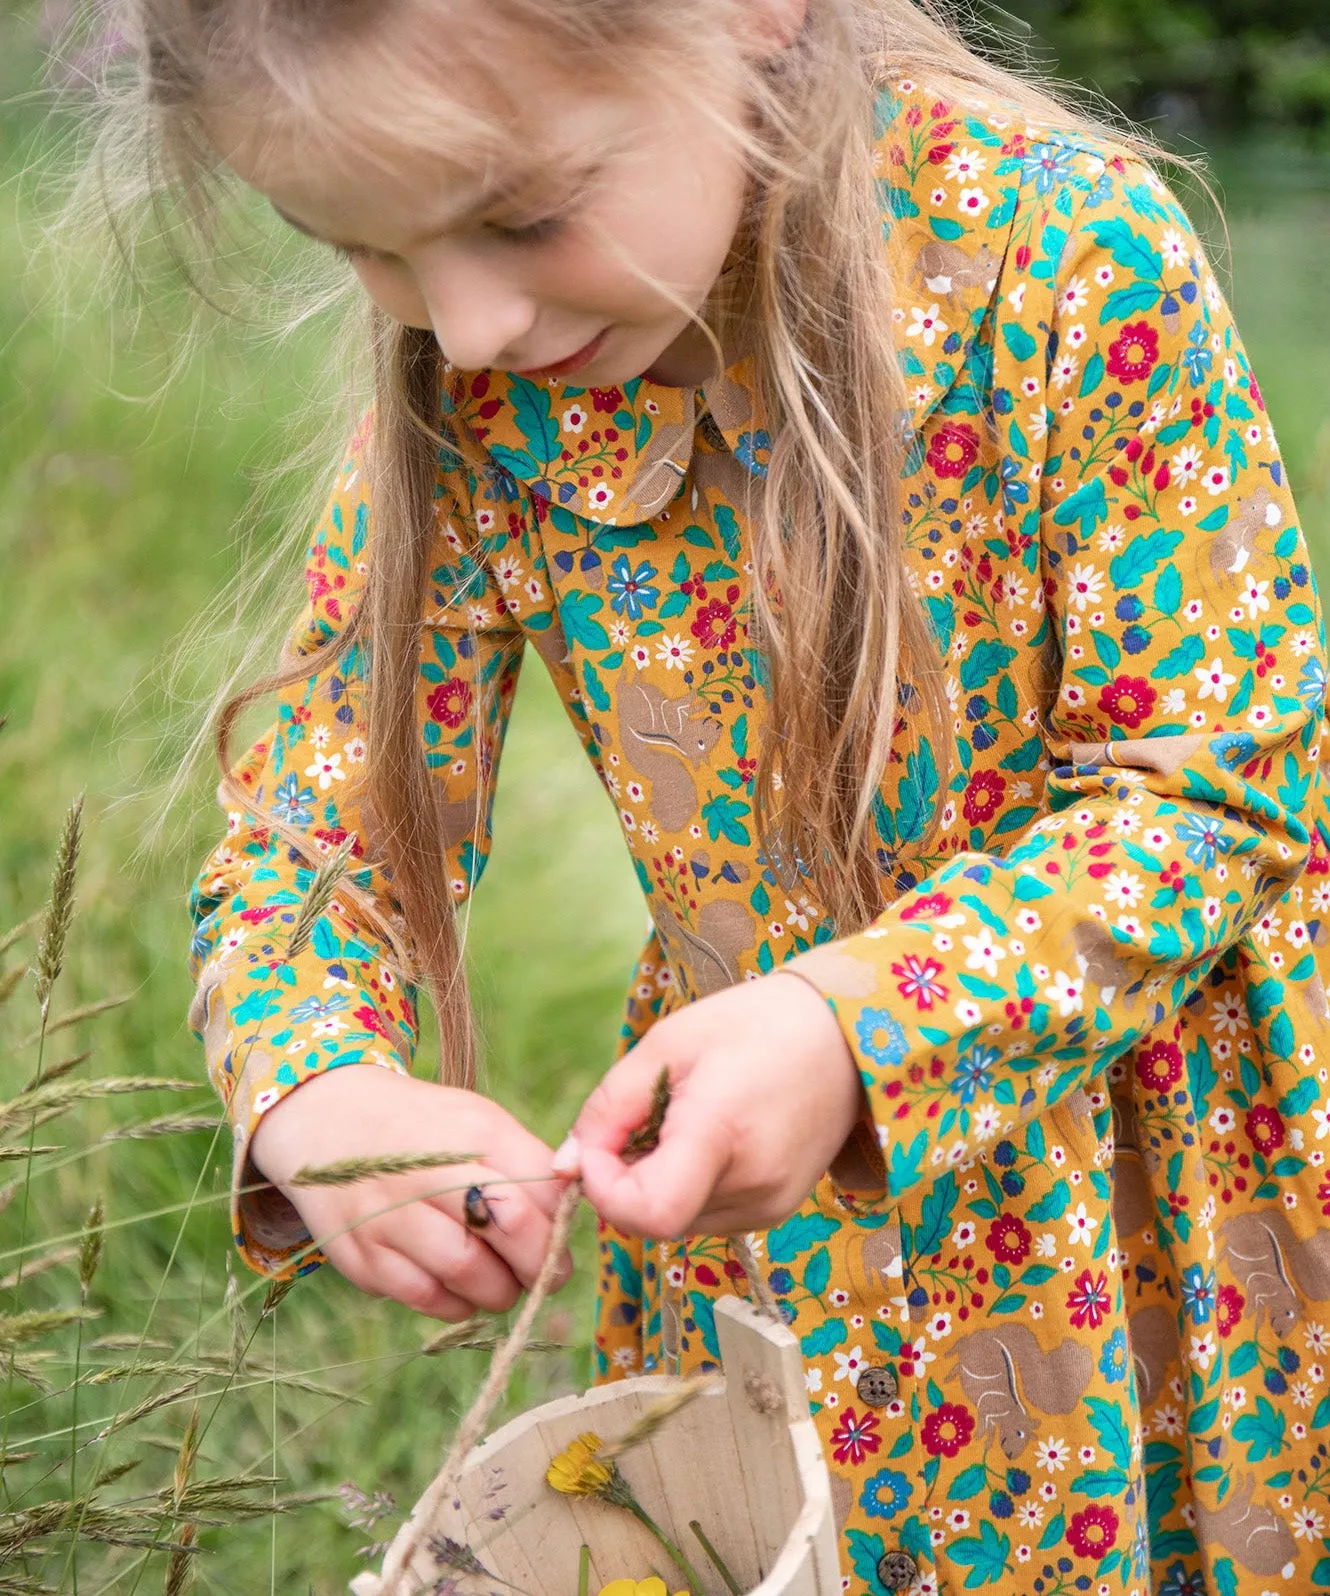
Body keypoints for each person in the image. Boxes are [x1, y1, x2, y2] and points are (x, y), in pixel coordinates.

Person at [126, 0, 1327, 1587]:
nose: (465, 324)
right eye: (365, 251)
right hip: (775, 1256)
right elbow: (312, 827)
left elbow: (1227, 783)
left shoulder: (1051, 250)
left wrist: (858, 1024)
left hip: (1156, 1207)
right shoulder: (476, 375)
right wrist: (320, 1092)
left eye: (522, 215)